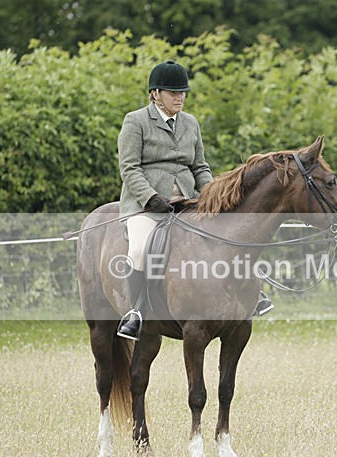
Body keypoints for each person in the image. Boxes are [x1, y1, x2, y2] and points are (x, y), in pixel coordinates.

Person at [116, 60, 272, 340]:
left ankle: (250, 296)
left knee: (230, 236)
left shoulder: (190, 123)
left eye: (183, 92)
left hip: (188, 202)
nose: (180, 97)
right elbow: (129, 168)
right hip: (147, 206)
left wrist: (216, 197)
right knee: (140, 248)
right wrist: (150, 197)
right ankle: (136, 311)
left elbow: (200, 167)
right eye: (173, 92)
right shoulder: (136, 121)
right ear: (155, 94)